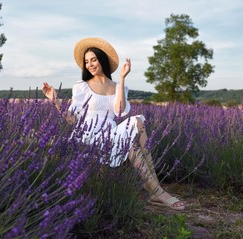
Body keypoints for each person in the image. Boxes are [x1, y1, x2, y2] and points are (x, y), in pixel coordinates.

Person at [42, 37, 185, 210]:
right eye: (87, 62)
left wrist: (122, 78)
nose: (90, 64)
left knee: (138, 122)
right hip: (88, 134)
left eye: (93, 59)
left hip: (111, 131)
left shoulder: (117, 86)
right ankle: (157, 191)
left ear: (102, 59)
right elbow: (72, 119)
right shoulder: (81, 86)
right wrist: (55, 101)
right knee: (132, 146)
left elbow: (119, 111)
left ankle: (155, 189)